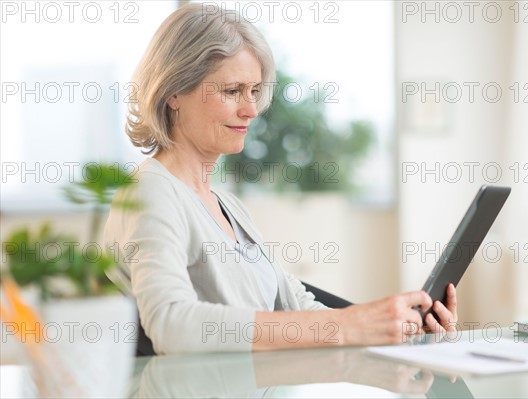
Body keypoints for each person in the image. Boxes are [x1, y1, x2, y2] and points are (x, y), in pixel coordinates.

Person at [104, 3, 458, 355]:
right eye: (232, 91)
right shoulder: (152, 191)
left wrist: (398, 327)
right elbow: (171, 323)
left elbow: (298, 307)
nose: (251, 109)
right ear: (174, 93)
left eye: (254, 91)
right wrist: (347, 326)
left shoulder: (228, 207)